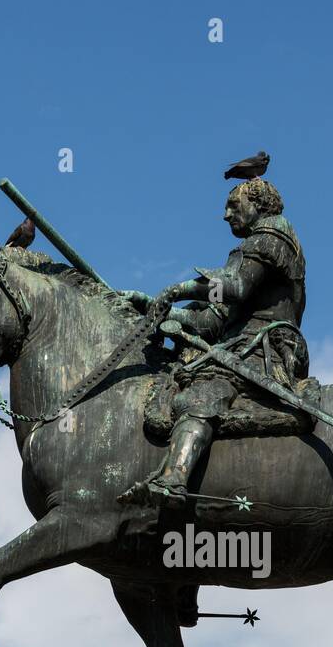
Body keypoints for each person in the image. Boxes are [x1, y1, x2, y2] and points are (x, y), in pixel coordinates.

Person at [119, 178, 308, 506]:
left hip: (264, 350)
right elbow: (210, 321)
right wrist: (156, 309)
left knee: (205, 393)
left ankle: (174, 479)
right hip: (240, 343)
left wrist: (179, 289)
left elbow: (234, 287)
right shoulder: (250, 249)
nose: (225, 215)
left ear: (259, 205)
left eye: (234, 206)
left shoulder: (273, 235)